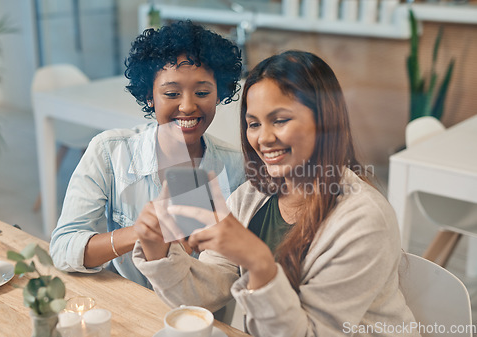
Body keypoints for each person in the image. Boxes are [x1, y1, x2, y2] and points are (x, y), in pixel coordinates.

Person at [132, 50, 421, 336]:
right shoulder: (250, 197)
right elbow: (206, 293)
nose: (264, 138)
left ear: (324, 122)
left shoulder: (363, 218)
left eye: (280, 120)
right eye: (254, 124)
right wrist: (157, 248)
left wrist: (259, 262)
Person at [50, 21, 245, 289]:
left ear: (219, 94)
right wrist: (140, 233)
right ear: (149, 96)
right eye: (171, 93)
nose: (187, 106)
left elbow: (231, 273)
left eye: (202, 92)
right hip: (131, 309)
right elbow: (63, 248)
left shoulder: (236, 168)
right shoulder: (110, 153)